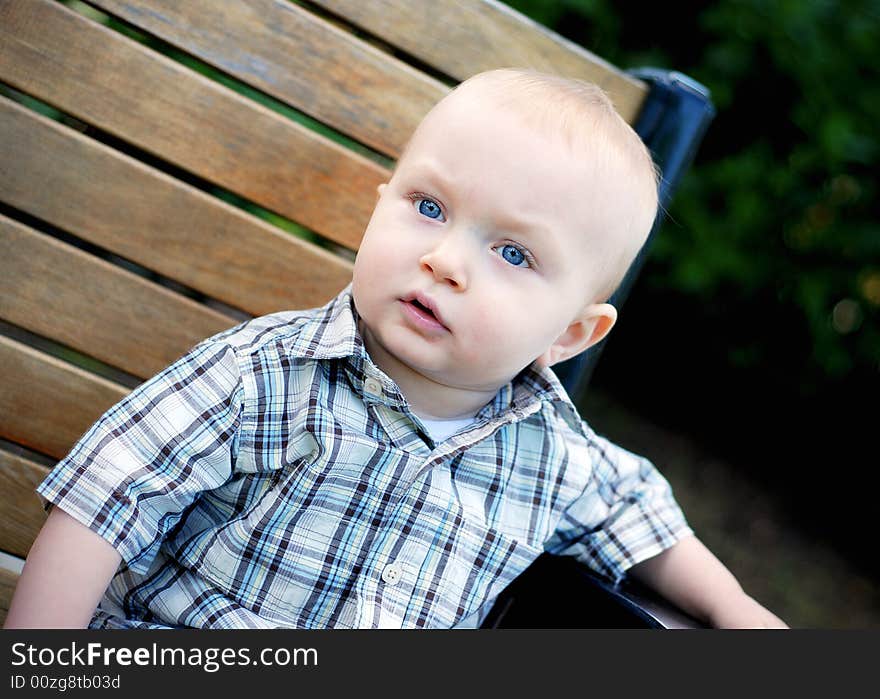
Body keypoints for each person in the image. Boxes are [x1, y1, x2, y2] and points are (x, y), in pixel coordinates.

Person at [3, 69, 786, 629]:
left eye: (513, 254)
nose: (445, 258)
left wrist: (731, 608)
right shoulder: (268, 376)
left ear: (570, 335)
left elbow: (639, 513)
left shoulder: (553, 455)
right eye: (429, 206)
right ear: (380, 209)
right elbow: (106, 502)